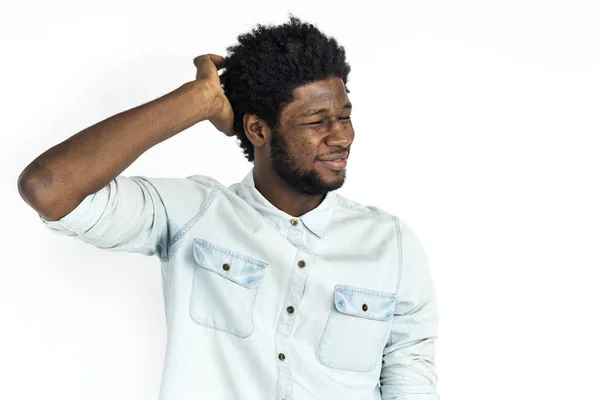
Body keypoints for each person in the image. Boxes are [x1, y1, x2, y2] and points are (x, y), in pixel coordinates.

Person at [17, 16, 440, 400]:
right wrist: (196, 101)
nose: (341, 136)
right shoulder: (192, 215)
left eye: (344, 117)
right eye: (316, 121)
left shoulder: (392, 246)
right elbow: (48, 186)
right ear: (258, 129)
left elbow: (410, 379)